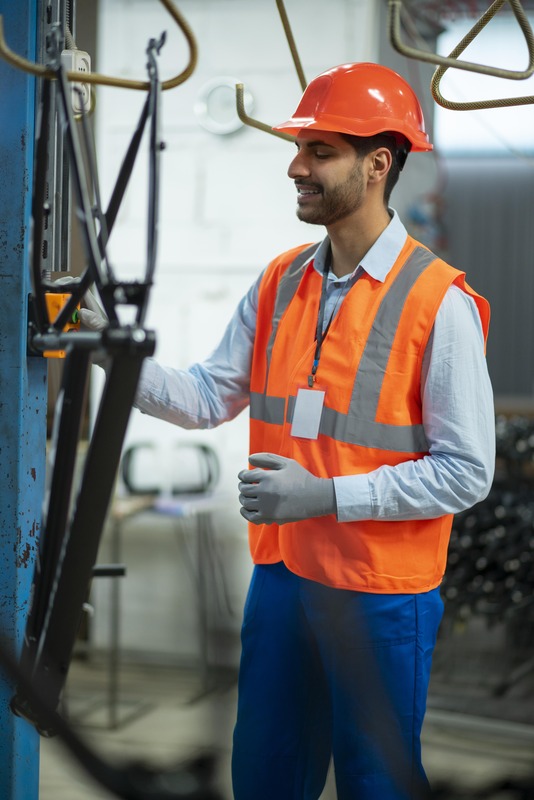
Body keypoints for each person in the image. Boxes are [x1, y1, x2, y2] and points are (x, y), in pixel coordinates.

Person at [82, 62, 495, 799]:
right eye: (300, 147)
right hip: (284, 578)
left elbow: (466, 470)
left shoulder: (440, 302)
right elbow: (209, 395)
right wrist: (115, 351)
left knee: (378, 784)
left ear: (377, 165)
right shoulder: (280, 282)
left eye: (320, 150)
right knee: (266, 774)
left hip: (381, 591)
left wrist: (327, 495)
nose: (295, 166)